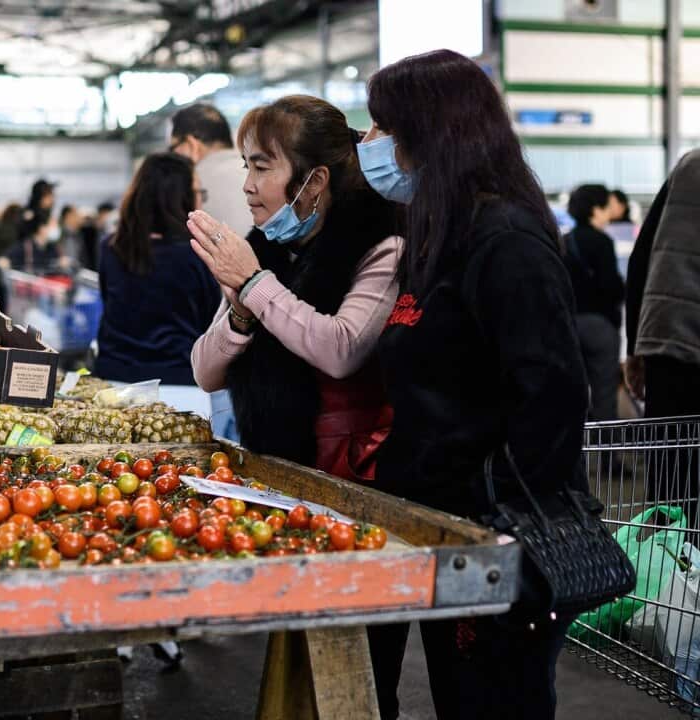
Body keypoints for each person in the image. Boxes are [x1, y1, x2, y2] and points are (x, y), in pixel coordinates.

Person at [362, 49, 589, 720]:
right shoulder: (439, 237)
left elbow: (551, 394)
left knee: (492, 701)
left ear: (429, 135)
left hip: (491, 543)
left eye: (385, 130)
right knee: (461, 698)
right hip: (443, 531)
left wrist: (495, 508)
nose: (373, 146)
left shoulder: (505, 240)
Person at [188, 95, 401, 480]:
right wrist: (239, 316)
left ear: (314, 181)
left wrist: (255, 285)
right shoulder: (262, 247)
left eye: (262, 168)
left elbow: (342, 350)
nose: (248, 187)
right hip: (269, 469)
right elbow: (205, 373)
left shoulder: (380, 244)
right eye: (246, 167)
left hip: (347, 475)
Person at [95, 152, 220, 385]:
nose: (201, 200)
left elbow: (107, 302)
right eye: (197, 193)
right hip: (180, 380)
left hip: (114, 378)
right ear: (179, 197)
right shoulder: (198, 252)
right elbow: (212, 320)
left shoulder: (111, 247)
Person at [624, 155, 700, 418]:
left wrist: (635, 347)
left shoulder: (690, 167)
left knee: (671, 452)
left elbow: (641, 257)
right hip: (673, 343)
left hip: (670, 341)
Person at [562, 184, 624, 421]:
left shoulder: (564, 241)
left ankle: (576, 454)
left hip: (568, 326)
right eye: (607, 206)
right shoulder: (602, 242)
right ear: (596, 210)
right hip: (599, 327)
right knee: (604, 395)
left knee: (572, 394)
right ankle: (607, 455)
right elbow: (611, 287)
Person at [170, 103, 251, 234]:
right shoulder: (255, 174)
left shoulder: (188, 186)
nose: (172, 156)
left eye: (173, 148)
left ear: (192, 145)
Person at [78, 201, 114, 271]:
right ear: (101, 214)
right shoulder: (90, 230)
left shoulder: (110, 232)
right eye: (108, 215)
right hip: (91, 268)